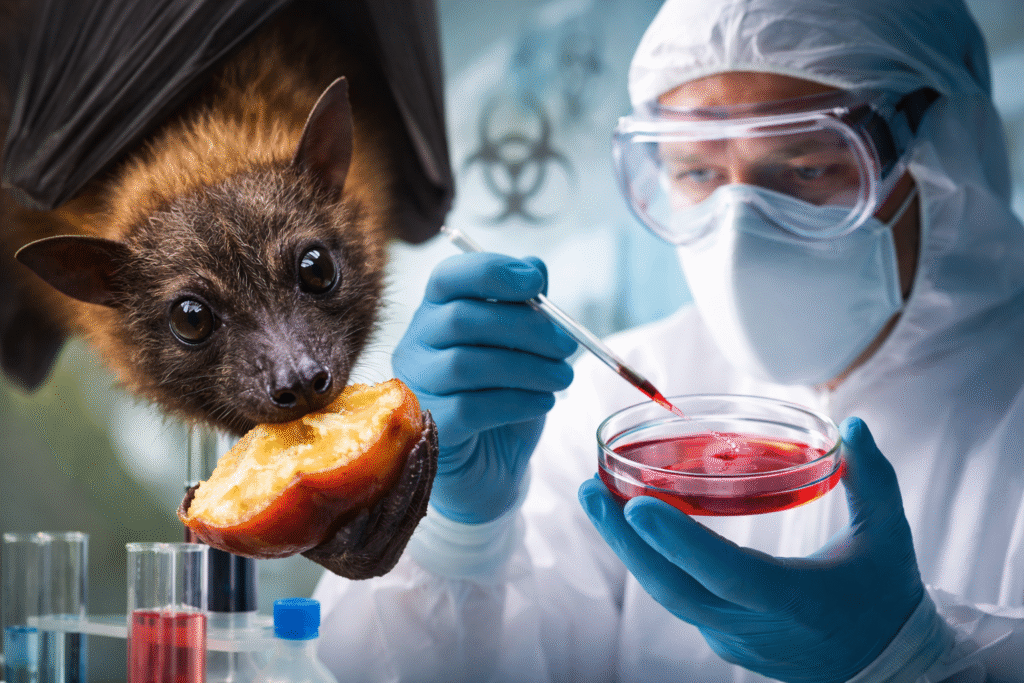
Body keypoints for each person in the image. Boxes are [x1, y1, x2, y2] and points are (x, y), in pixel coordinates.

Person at [312, 0, 1024, 680]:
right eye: (697, 172)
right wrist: (461, 535)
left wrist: (912, 662)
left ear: (944, 155)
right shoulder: (604, 408)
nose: (739, 227)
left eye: (808, 168)